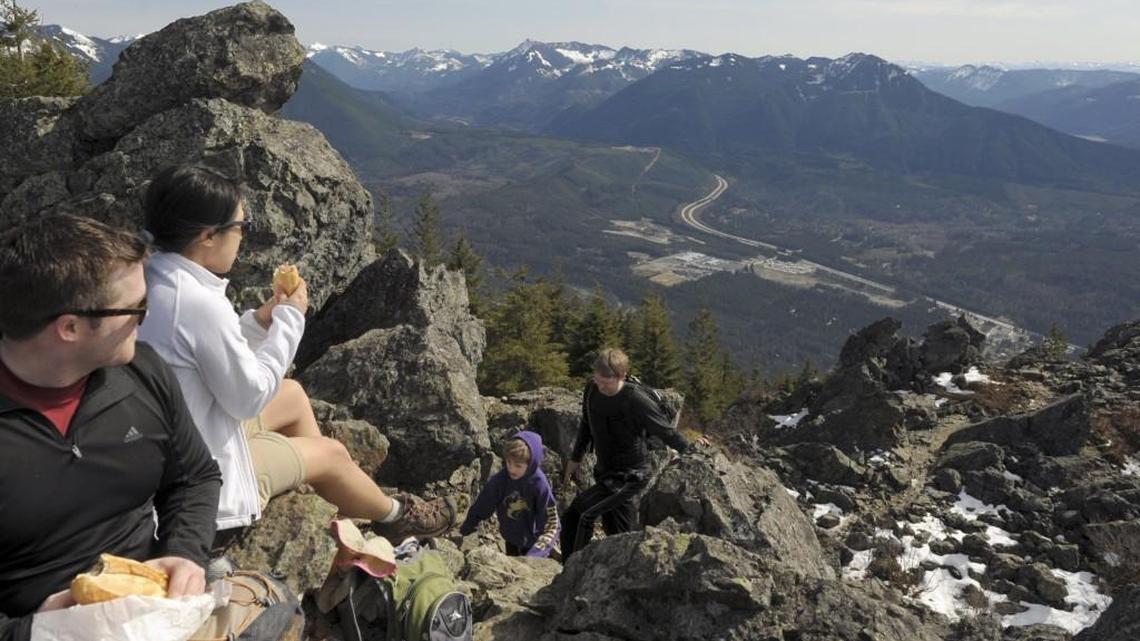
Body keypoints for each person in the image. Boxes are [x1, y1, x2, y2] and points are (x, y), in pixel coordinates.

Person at [137, 164, 453, 543]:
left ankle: (330, 489)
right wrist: (290, 320)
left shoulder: (153, 277)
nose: (242, 236)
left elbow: (202, 353)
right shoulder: (197, 301)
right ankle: (397, 517)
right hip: (200, 487)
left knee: (291, 394)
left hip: (174, 444)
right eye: (241, 226)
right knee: (332, 452)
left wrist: (258, 323)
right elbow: (247, 397)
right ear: (208, 236)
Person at [0, 214, 223, 641]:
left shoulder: (142, 373)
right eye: (136, 307)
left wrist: (184, 554)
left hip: (157, 609)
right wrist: (34, 630)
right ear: (70, 327)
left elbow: (195, 478)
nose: (146, 316)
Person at [560, 348, 691, 561]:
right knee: (618, 531)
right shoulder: (592, 390)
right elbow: (587, 423)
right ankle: (623, 568)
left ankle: (571, 570)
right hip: (605, 471)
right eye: (597, 379)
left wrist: (692, 451)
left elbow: (665, 431)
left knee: (580, 514)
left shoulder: (635, 400)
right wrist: (575, 458)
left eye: (606, 382)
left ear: (622, 376)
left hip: (630, 476)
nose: (601, 386)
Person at [458, 431, 559, 557]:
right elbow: (483, 504)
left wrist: (536, 555)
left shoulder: (539, 484)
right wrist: (466, 529)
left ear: (531, 464)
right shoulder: (501, 480)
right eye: (508, 462)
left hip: (534, 543)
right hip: (510, 537)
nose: (511, 469)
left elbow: (552, 523)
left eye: (518, 465)